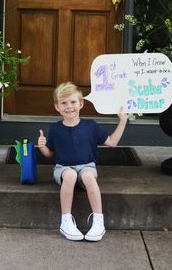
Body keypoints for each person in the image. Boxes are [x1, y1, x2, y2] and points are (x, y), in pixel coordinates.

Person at [38, 81, 128, 242]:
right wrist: (42, 146)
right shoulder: (56, 128)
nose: (69, 106)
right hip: (63, 168)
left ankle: (98, 222)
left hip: (87, 167)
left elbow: (112, 142)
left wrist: (122, 121)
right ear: (57, 107)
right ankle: (66, 221)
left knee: (88, 176)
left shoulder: (90, 126)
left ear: (81, 103)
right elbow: (49, 154)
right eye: (64, 103)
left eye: (73, 102)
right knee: (71, 175)